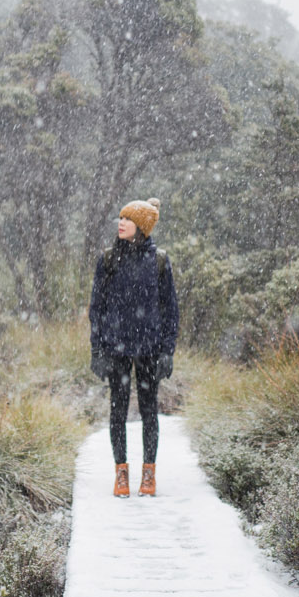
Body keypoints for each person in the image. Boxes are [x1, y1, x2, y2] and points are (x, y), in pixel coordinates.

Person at [88, 197, 179, 498]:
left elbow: (170, 310)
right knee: (118, 410)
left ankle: (149, 475)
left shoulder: (159, 261)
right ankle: (121, 473)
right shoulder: (108, 259)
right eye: (120, 218)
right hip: (117, 349)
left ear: (141, 227)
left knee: (149, 410)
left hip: (150, 349)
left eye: (127, 219)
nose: (120, 223)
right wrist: (96, 350)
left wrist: (167, 350)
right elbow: (97, 308)